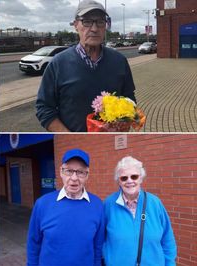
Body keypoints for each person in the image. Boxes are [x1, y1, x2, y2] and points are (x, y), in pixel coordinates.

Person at [36, 0, 136, 132]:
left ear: (105, 25)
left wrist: (125, 121)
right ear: (76, 24)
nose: (94, 29)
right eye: (87, 21)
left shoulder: (119, 61)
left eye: (100, 22)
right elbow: (44, 108)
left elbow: (130, 99)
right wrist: (70, 137)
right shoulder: (58, 63)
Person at [27, 148, 104, 266]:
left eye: (80, 172)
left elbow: (98, 247)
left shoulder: (97, 205)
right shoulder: (42, 204)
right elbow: (33, 244)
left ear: (87, 175)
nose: (74, 178)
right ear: (61, 172)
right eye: (69, 171)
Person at [103, 156, 177, 265]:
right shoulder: (108, 204)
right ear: (118, 181)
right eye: (124, 178)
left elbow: (168, 240)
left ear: (141, 178)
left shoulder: (155, 203)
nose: (129, 181)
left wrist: (170, 263)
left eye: (134, 176)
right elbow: (100, 239)